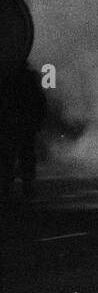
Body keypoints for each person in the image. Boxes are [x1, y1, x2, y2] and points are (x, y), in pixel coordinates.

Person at [0, 61, 45, 203]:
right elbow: (40, 101)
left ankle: (8, 186)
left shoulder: (6, 76)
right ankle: (25, 185)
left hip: (12, 123)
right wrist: (38, 121)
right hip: (25, 123)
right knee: (25, 155)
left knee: (9, 156)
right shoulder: (30, 77)